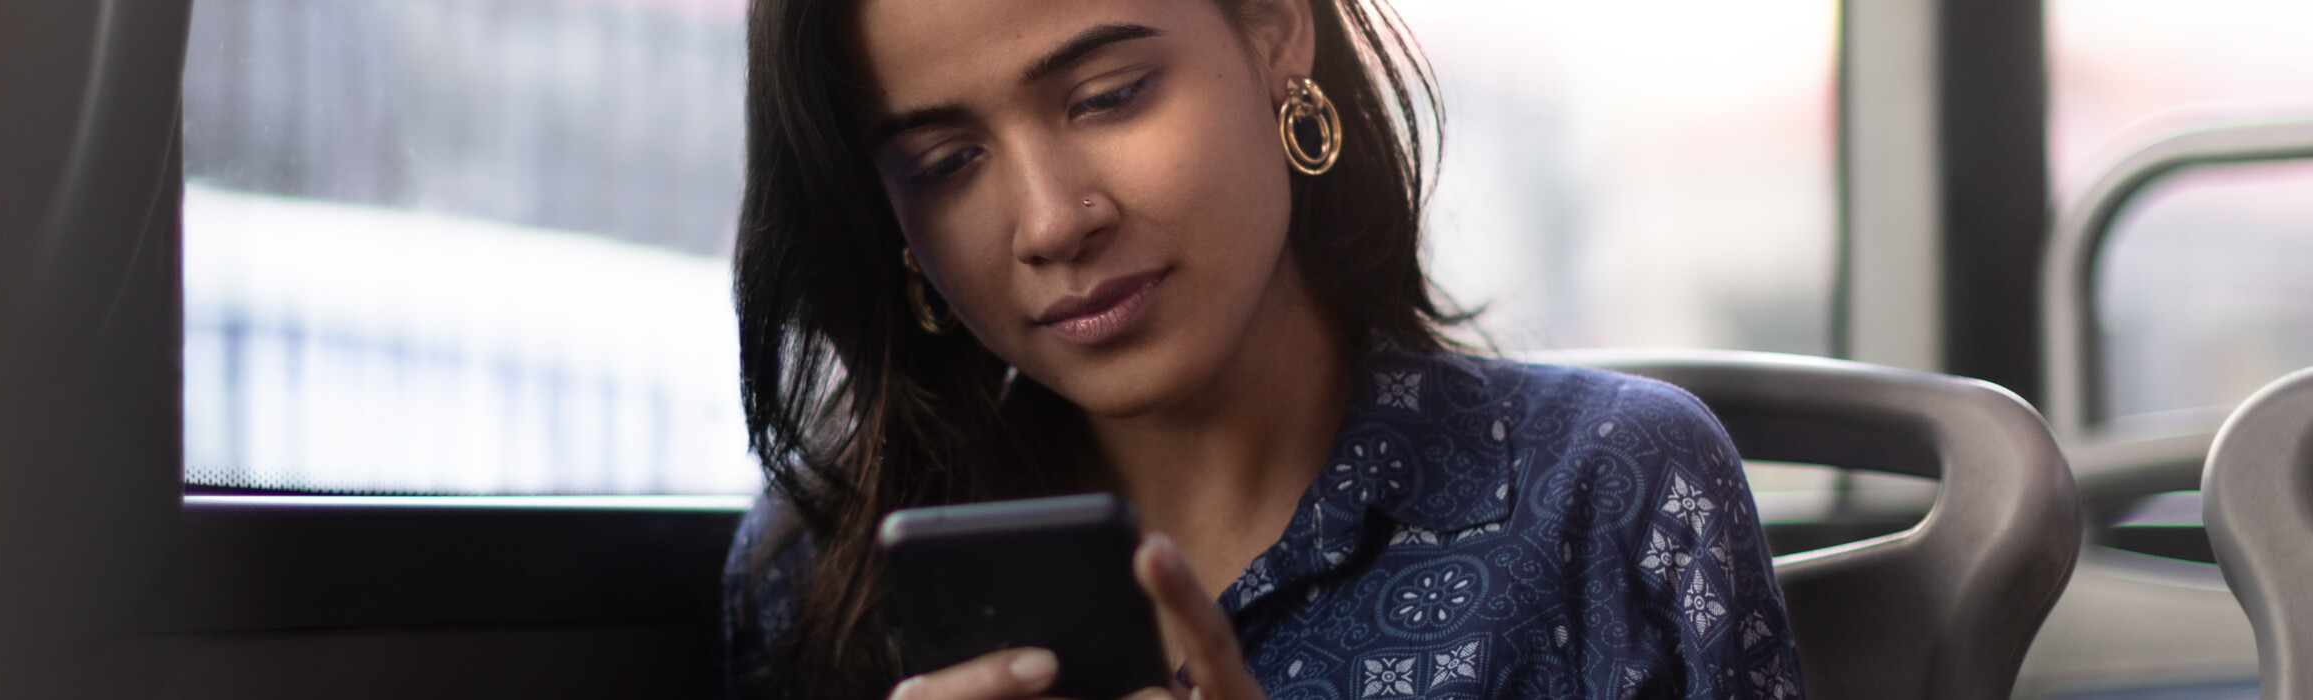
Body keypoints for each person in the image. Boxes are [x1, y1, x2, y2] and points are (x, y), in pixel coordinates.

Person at [721, 0, 1807, 697]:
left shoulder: (1605, 488)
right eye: (946, 162)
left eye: (1109, 97)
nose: (1052, 220)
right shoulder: (831, 566)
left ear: (1276, 27)